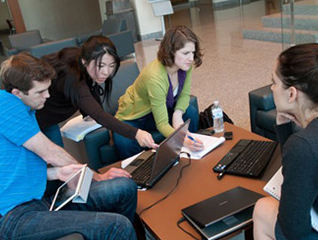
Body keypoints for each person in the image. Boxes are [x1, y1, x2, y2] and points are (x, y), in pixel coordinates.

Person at [0, 52, 138, 240]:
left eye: (47, 89)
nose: (47, 96)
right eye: (40, 92)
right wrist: (96, 176)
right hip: (15, 217)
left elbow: (13, 170)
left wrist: (56, 174)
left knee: (125, 187)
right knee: (117, 226)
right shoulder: (5, 103)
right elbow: (50, 153)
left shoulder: (25, 111)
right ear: (16, 93)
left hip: (38, 202)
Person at [35, 35, 157, 150]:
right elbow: (98, 114)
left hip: (50, 116)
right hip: (38, 117)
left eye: (111, 66)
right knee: (54, 157)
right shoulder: (72, 77)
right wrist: (136, 133)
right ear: (84, 61)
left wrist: (86, 113)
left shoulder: (84, 59)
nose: (106, 72)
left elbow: (89, 93)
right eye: (101, 65)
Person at [253, 43, 318, 240]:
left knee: (262, 209)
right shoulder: (305, 142)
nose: (272, 88)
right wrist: (283, 125)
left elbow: (293, 230)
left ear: (292, 94)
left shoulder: (304, 145)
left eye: (273, 82)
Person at [114, 25, 204, 159]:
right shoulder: (155, 77)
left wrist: (177, 114)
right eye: (185, 53)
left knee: (189, 111)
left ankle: (192, 156)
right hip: (134, 115)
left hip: (156, 109)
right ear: (171, 51)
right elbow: (161, 124)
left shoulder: (185, 65)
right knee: (124, 141)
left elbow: (185, 94)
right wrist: (184, 139)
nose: (191, 58)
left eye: (193, 52)